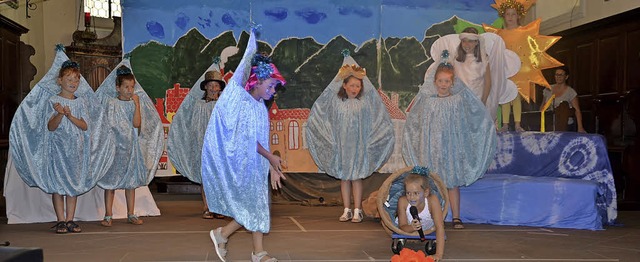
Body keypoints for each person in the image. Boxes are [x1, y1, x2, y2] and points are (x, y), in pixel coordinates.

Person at [202, 29, 287, 262]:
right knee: (252, 205)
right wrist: (270, 158)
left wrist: (271, 167)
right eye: (269, 87)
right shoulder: (246, 105)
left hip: (257, 165)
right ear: (256, 82)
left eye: (274, 89)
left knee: (256, 205)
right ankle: (236, 241)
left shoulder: (260, 107)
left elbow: (263, 139)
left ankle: (242, 244)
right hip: (245, 164)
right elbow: (249, 141)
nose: (272, 92)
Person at [9, 45, 112, 233]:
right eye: (69, 79)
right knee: (58, 185)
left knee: (72, 185)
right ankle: (61, 220)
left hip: (76, 151)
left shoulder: (80, 101)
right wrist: (59, 114)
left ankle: (71, 219)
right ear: (60, 80)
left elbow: (84, 125)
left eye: (76, 79)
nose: (73, 82)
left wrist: (70, 115)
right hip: (57, 150)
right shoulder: (52, 101)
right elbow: (50, 127)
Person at [403, 51, 496, 230]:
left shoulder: (457, 100)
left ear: (452, 83)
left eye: (447, 81)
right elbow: (418, 123)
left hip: (451, 149)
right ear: (434, 82)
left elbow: (468, 118)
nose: (443, 85)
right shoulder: (428, 101)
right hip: (432, 149)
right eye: (440, 81)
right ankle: (433, 217)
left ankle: (456, 217)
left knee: (452, 184)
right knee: (433, 184)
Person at [306, 56, 395, 223]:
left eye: (358, 85)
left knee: (356, 177)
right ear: (344, 86)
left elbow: (372, 122)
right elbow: (326, 117)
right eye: (351, 85)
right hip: (342, 147)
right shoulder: (338, 102)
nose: (355, 88)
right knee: (345, 178)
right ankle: (346, 209)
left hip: (358, 147)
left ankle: (357, 210)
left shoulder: (364, 103)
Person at [96, 64, 164, 227]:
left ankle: (131, 213)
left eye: (132, 87)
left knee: (131, 182)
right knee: (110, 181)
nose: (129, 90)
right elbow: (110, 124)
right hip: (116, 148)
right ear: (117, 88)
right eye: (126, 87)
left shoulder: (134, 102)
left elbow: (137, 123)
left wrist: (137, 105)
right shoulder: (112, 103)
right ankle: (108, 214)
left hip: (131, 148)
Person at [168, 68, 226, 219]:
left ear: (220, 88)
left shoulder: (223, 105)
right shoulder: (199, 105)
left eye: (216, 85)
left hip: (219, 146)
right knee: (206, 177)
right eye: (211, 85)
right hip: (204, 145)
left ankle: (218, 207)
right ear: (205, 87)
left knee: (218, 176)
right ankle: (207, 206)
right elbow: (195, 126)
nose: (213, 88)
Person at [397, 173, 445, 261]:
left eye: (416, 193)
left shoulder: (432, 201)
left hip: (428, 228)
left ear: (426, 192)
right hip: (409, 226)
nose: (411, 197)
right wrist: (412, 227)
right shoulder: (403, 201)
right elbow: (402, 226)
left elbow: (440, 226)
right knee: (388, 225)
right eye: (408, 193)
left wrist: (438, 254)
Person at [498, 5, 526, 132]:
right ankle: (505, 124)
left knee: (516, 96)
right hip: (505, 69)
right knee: (505, 95)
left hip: (519, 68)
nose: (510, 17)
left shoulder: (523, 32)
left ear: (518, 16)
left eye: (513, 14)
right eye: (507, 14)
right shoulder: (500, 34)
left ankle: (517, 124)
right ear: (503, 16)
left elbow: (527, 48)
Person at [540, 66, 586, 132]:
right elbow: (542, 106)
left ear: (566, 77)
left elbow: (577, 110)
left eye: (561, 75)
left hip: (566, 125)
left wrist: (580, 127)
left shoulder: (571, 92)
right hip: (549, 124)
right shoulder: (548, 89)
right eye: (556, 74)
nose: (558, 77)